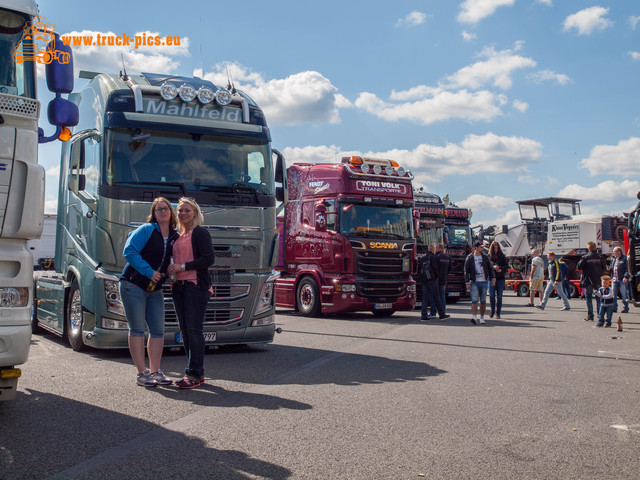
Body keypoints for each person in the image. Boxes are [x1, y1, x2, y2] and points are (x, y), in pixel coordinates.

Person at [120, 197, 179, 387]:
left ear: (171, 212)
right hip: (133, 284)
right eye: (158, 209)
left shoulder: (174, 236)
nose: (162, 211)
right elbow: (129, 251)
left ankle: (156, 371)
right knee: (137, 329)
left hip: (155, 289)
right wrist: (149, 272)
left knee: (157, 330)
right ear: (153, 214)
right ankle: (141, 373)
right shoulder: (146, 230)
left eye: (166, 208)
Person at [167, 197, 215, 389]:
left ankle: (194, 374)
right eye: (180, 211)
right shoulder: (178, 235)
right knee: (185, 331)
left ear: (195, 213)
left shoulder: (199, 232)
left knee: (194, 331)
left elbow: (208, 258)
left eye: (187, 210)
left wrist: (183, 266)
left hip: (195, 286)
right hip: (179, 287)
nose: (183, 214)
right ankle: (193, 372)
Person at [464, 241, 495, 324]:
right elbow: (466, 271)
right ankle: (474, 317)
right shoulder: (470, 257)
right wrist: (467, 282)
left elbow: (490, 268)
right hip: (474, 281)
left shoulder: (485, 257)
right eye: (481, 247)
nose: (483, 248)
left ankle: (482, 317)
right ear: (476, 248)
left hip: (484, 281)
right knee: (474, 300)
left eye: (483, 247)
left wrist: (493, 278)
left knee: (483, 301)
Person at [576, 241, 607, 322]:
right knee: (599, 298)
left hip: (588, 280)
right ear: (595, 248)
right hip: (598, 279)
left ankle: (590, 316)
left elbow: (579, 267)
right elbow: (605, 268)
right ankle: (600, 316)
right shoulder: (600, 256)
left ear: (588, 249)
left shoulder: (585, 257)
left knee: (588, 298)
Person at [420, 245, 450, 321]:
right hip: (432, 280)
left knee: (425, 298)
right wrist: (436, 277)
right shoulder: (434, 257)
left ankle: (424, 315)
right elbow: (436, 268)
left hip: (424, 280)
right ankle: (442, 314)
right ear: (433, 249)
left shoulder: (423, 258)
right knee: (437, 297)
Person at [488, 241, 508, 319]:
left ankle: (498, 313)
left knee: (499, 296)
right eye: (494, 248)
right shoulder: (489, 256)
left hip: (500, 278)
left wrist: (501, 269)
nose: (496, 249)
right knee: (491, 296)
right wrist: (493, 267)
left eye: (497, 247)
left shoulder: (502, 256)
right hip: (491, 278)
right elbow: (487, 266)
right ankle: (492, 310)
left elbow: (506, 266)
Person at [610, 247, 630, 313]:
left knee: (624, 294)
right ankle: (614, 308)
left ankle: (625, 308)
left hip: (622, 279)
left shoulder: (625, 259)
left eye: (614, 251)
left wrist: (626, 277)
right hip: (614, 279)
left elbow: (627, 269)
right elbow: (612, 268)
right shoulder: (613, 259)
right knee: (613, 294)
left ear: (619, 252)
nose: (613, 253)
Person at [433, 243, 451, 316]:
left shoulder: (436, 256)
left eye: (436, 247)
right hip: (444, 278)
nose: (435, 249)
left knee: (434, 295)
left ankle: (434, 312)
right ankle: (443, 311)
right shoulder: (447, 257)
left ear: (440, 248)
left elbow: (434, 267)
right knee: (442, 295)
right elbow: (450, 268)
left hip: (436, 278)